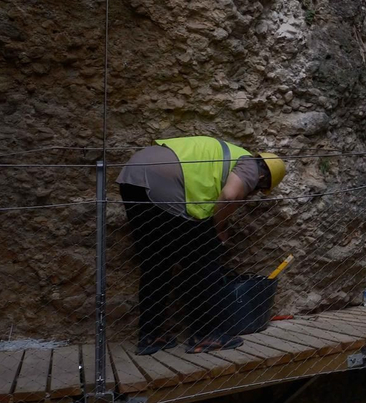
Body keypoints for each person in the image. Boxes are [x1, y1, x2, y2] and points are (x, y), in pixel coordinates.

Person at [117, 135, 286, 355]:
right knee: (203, 261)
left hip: (133, 177)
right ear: (263, 177)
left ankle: (151, 335)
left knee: (157, 261)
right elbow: (229, 195)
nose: (254, 192)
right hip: (167, 186)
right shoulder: (250, 166)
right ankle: (207, 335)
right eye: (259, 188)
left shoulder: (226, 156)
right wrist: (219, 227)